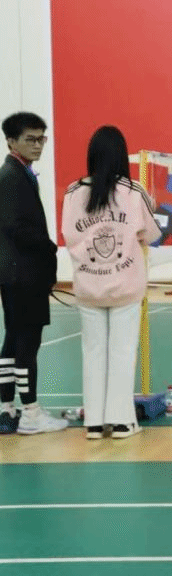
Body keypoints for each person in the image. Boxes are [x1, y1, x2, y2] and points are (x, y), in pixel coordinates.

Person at [61, 125, 162, 439]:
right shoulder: (134, 192)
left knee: (93, 353)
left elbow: (69, 235)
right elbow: (151, 234)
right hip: (125, 287)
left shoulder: (73, 193)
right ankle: (121, 422)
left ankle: (93, 423)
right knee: (122, 352)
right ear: (121, 156)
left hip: (89, 287)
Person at [0, 111, 66, 435]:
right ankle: (31, 413)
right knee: (27, 341)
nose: (38, 145)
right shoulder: (11, 177)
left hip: (15, 274)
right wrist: (49, 247)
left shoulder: (19, 172)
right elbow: (16, 227)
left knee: (13, 340)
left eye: (42, 139)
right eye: (31, 139)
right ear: (11, 141)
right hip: (24, 274)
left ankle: (6, 409)